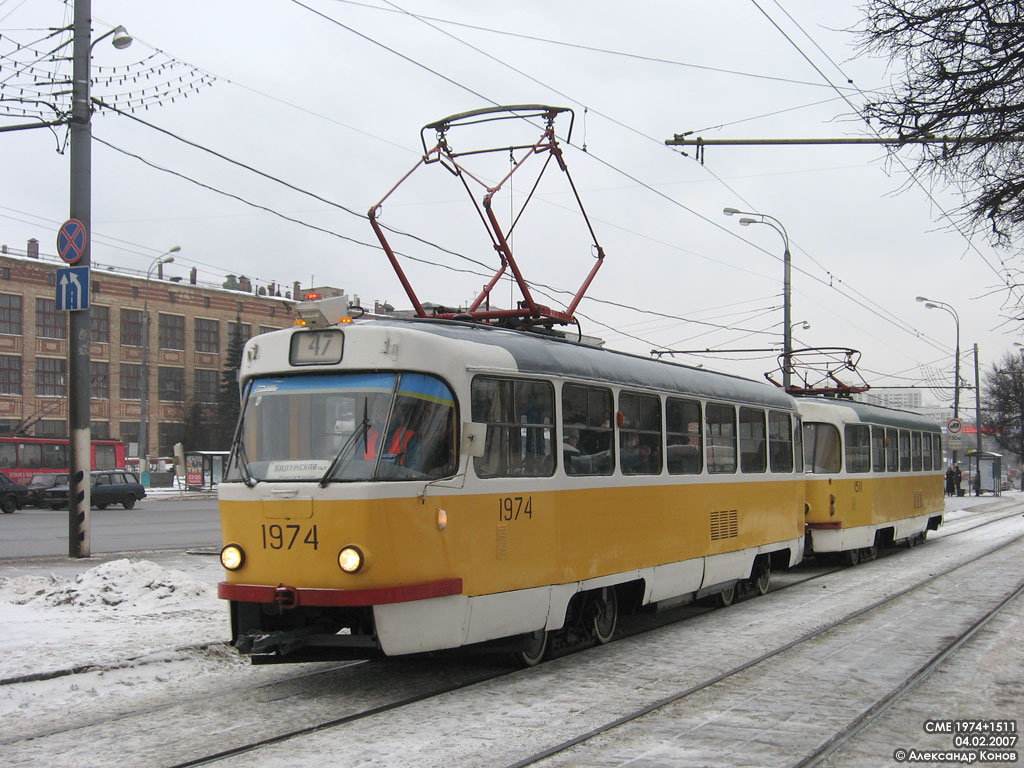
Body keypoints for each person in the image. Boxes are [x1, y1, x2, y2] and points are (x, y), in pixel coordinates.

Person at [363, 397, 422, 470]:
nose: (384, 414)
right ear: (376, 415)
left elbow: (414, 468)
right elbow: (358, 463)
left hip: (398, 477)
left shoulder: (408, 436)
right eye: (381, 411)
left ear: (396, 413)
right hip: (369, 477)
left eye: (388, 410)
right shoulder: (368, 435)